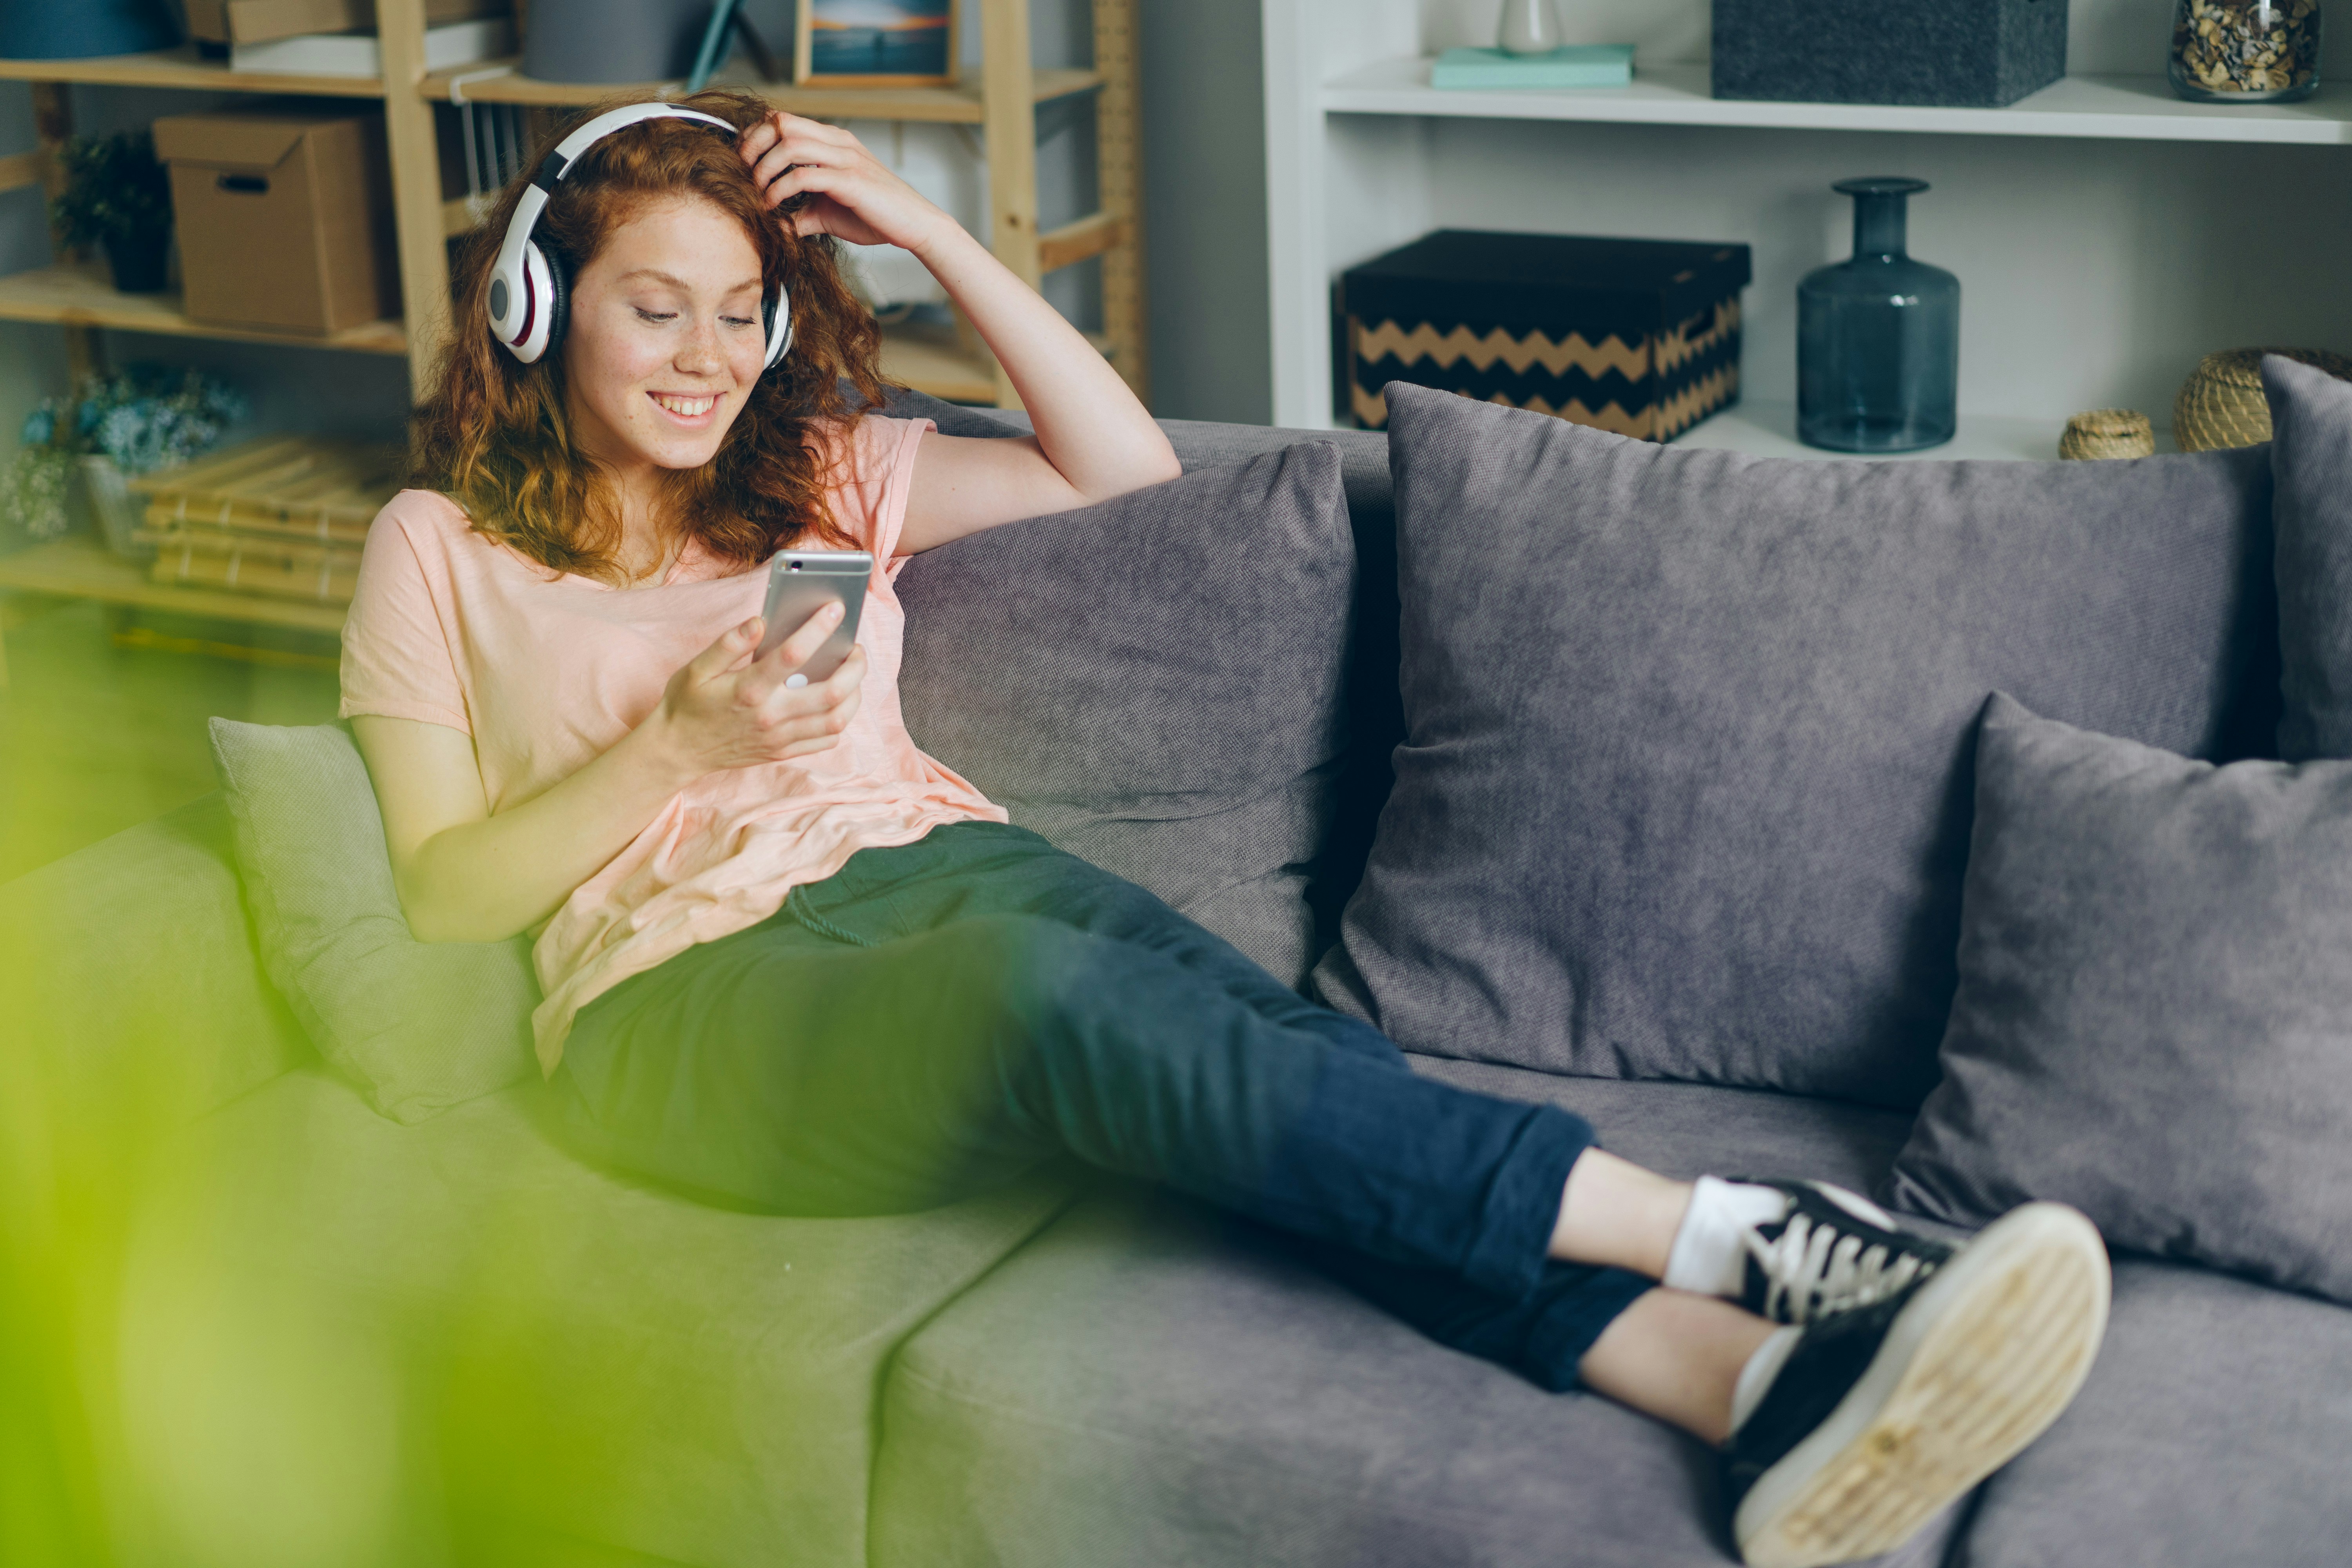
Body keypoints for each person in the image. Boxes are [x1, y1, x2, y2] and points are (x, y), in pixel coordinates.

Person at [343, 89, 2109, 1568]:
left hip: (939, 866)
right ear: (536, 305)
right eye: (658, 308)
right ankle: (1751, 1237)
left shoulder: (816, 475)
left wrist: (927, 230)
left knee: (1265, 1057)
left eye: (744, 312)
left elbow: (1118, 465)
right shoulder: (434, 551)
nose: (709, 358)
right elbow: (439, 892)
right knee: (1054, 1002)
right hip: (683, 1000)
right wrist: (676, 743)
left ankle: (1751, 1396)